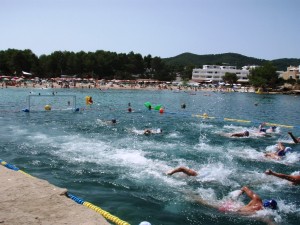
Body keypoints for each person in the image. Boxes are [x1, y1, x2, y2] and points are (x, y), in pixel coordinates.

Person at [196, 186, 277, 215]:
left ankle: (192, 196)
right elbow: (268, 221)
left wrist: (240, 192)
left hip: (233, 205)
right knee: (207, 203)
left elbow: (245, 187)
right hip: (232, 210)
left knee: (207, 201)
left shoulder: (257, 199)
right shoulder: (261, 212)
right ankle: (192, 197)